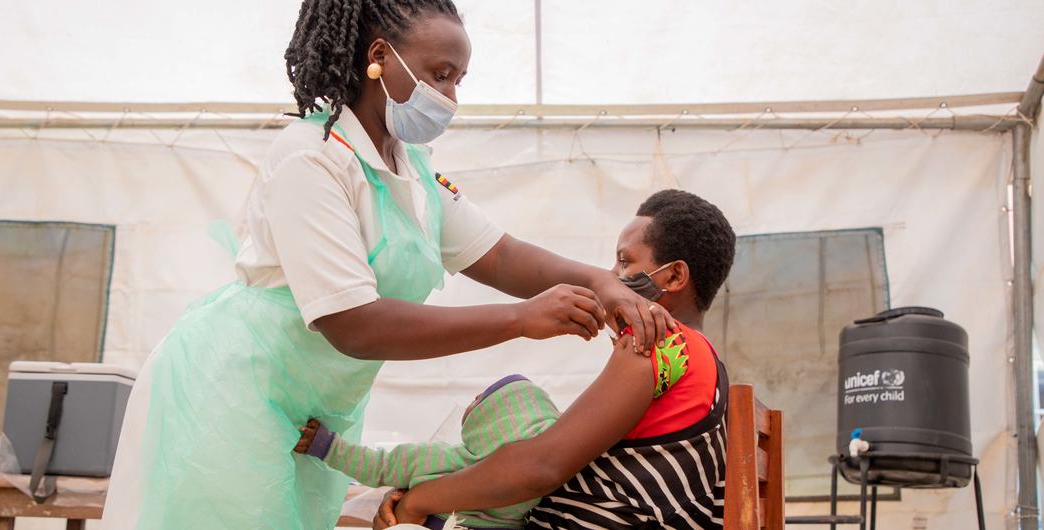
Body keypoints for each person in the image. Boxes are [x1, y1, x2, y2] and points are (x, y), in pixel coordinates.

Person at [99, 1, 672, 528]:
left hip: (312, 406)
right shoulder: (312, 158)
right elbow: (354, 323)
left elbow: (499, 255)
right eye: (440, 74)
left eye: (458, 81)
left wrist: (602, 281)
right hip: (236, 392)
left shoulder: (413, 169)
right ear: (379, 57)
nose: (450, 98)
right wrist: (521, 319)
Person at [376, 190, 738, 530]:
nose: (611, 277)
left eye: (625, 262)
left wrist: (417, 503)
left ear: (674, 276)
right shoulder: (704, 360)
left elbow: (541, 466)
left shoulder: (657, 342)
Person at [295, 375, 559, 529]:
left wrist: (328, 446)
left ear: (486, 418)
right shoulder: (543, 491)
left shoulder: (440, 459)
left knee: (358, 507)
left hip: (421, 521)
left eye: (478, 398)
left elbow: (377, 466)